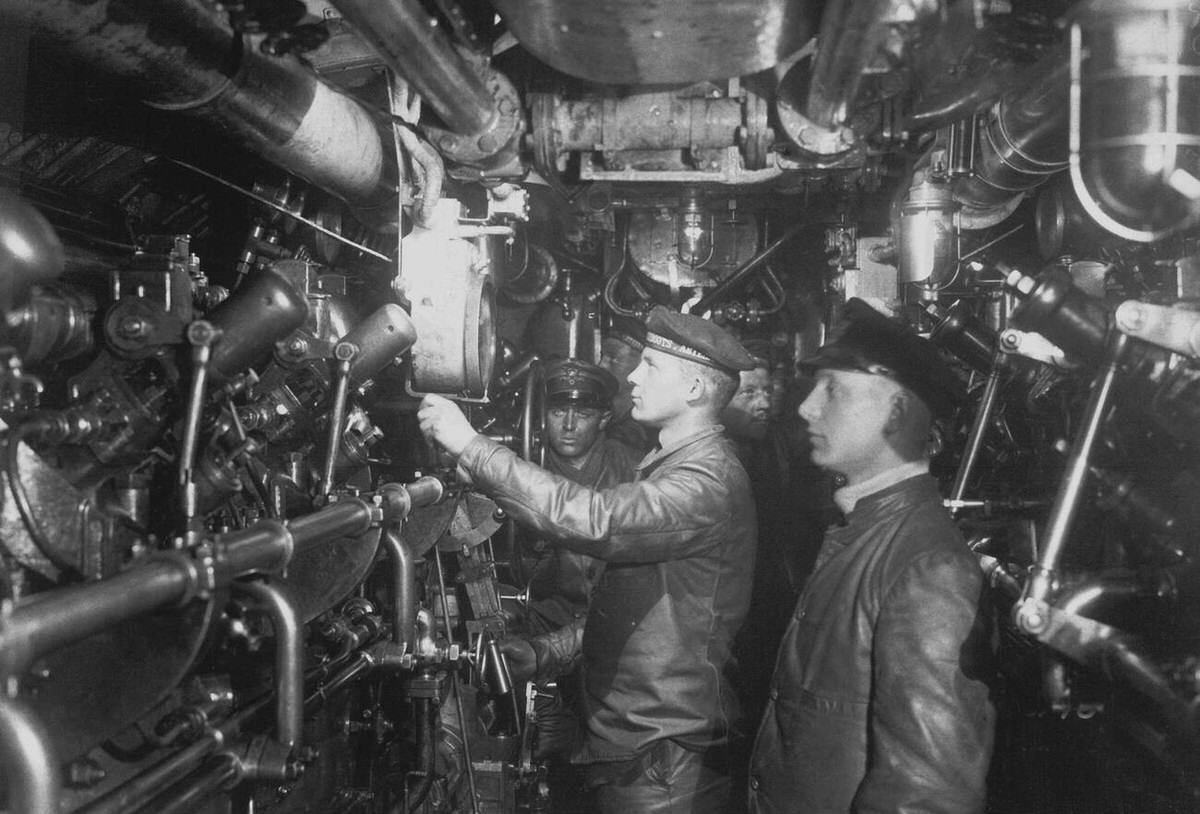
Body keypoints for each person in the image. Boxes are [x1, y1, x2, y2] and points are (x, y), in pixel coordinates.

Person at [419, 305, 758, 814]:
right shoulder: (671, 466)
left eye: (650, 366)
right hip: (639, 742)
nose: (633, 377)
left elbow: (596, 519)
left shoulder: (706, 482)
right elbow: (628, 611)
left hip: (662, 755)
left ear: (693, 389)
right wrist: (544, 654)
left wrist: (473, 446)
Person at [748, 298, 995, 814]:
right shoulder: (858, 527)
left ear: (897, 413)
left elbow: (929, 793)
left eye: (833, 390)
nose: (806, 407)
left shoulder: (928, 568)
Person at [525, 357, 640, 634]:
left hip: (618, 623)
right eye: (557, 412)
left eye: (583, 414)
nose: (568, 425)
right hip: (544, 622)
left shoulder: (635, 471)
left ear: (604, 419)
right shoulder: (526, 473)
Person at [596, 313, 654, 454]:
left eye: (613, 358)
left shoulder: (639, 431)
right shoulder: (607, 413)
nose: (601, 365)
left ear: (642, 364)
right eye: (602, 356)